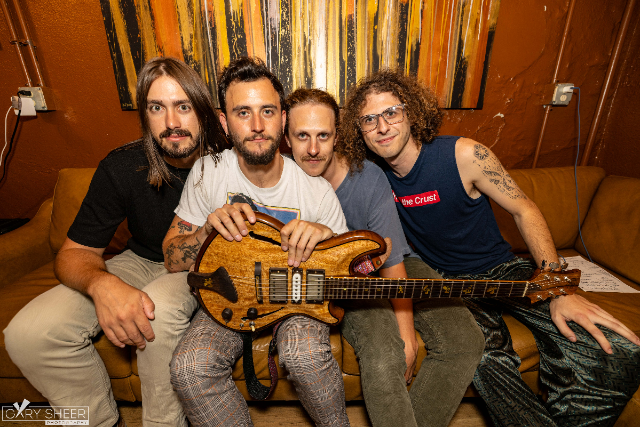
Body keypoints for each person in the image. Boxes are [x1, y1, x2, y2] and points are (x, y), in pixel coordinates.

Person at [340, 70, 640, 426]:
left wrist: (558, 287)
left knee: (617, 350)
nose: (382, 126)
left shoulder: (464, 154)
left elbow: (524, 209)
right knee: (484, 359)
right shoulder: (371, 177)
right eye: (369, 119)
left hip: (503, 270)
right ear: (360, 131)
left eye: (392, 112)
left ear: (412, 113)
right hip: (449, 284)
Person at [4, 57, 228, 427]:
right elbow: (74, 254)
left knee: (157, 311)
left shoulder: (232, 161)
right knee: (30, 334)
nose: (171, 122)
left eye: (184, 106)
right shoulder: (123, 166)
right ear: (144, 116)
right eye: (157, 108)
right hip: (139, 260)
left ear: (204, 111)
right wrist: (102, 283)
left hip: (198, 265)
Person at [283, 87, 484, 427]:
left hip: (395, 264)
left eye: (323, 135)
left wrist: (407, 334)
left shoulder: (368, 177)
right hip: (343, 281)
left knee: (464, 340)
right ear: (286, 139)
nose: (313, 148)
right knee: (382, 352)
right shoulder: (280, 177)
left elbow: (392, 261)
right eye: (302, 136)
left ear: (337, 136)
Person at [166, 57, 350, 427]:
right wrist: (204, 232)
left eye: (267, 111)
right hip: (230, 297)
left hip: (296, 300)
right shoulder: (207, 172)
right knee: (189, 368)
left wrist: (327, 239)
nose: (257, 126)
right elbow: (172, 259)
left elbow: (346, 276)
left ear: (283, 118)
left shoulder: (316, 190)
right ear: (224, 122)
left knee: (304, 356)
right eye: (242, 113)